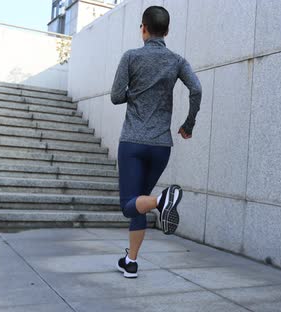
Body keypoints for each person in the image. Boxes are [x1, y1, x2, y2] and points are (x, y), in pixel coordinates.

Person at [110, 5, 202, 278]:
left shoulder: (131, 57)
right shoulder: (177, 61)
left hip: (133, 143)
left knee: (128, 203)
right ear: (168, 31)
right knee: (140, 200)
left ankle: (163, 200)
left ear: (143, 29)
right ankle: (131, 262)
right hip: (161, 146)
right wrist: (189, 124)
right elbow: (196, 88)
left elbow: (116, 96)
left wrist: (136, 92)